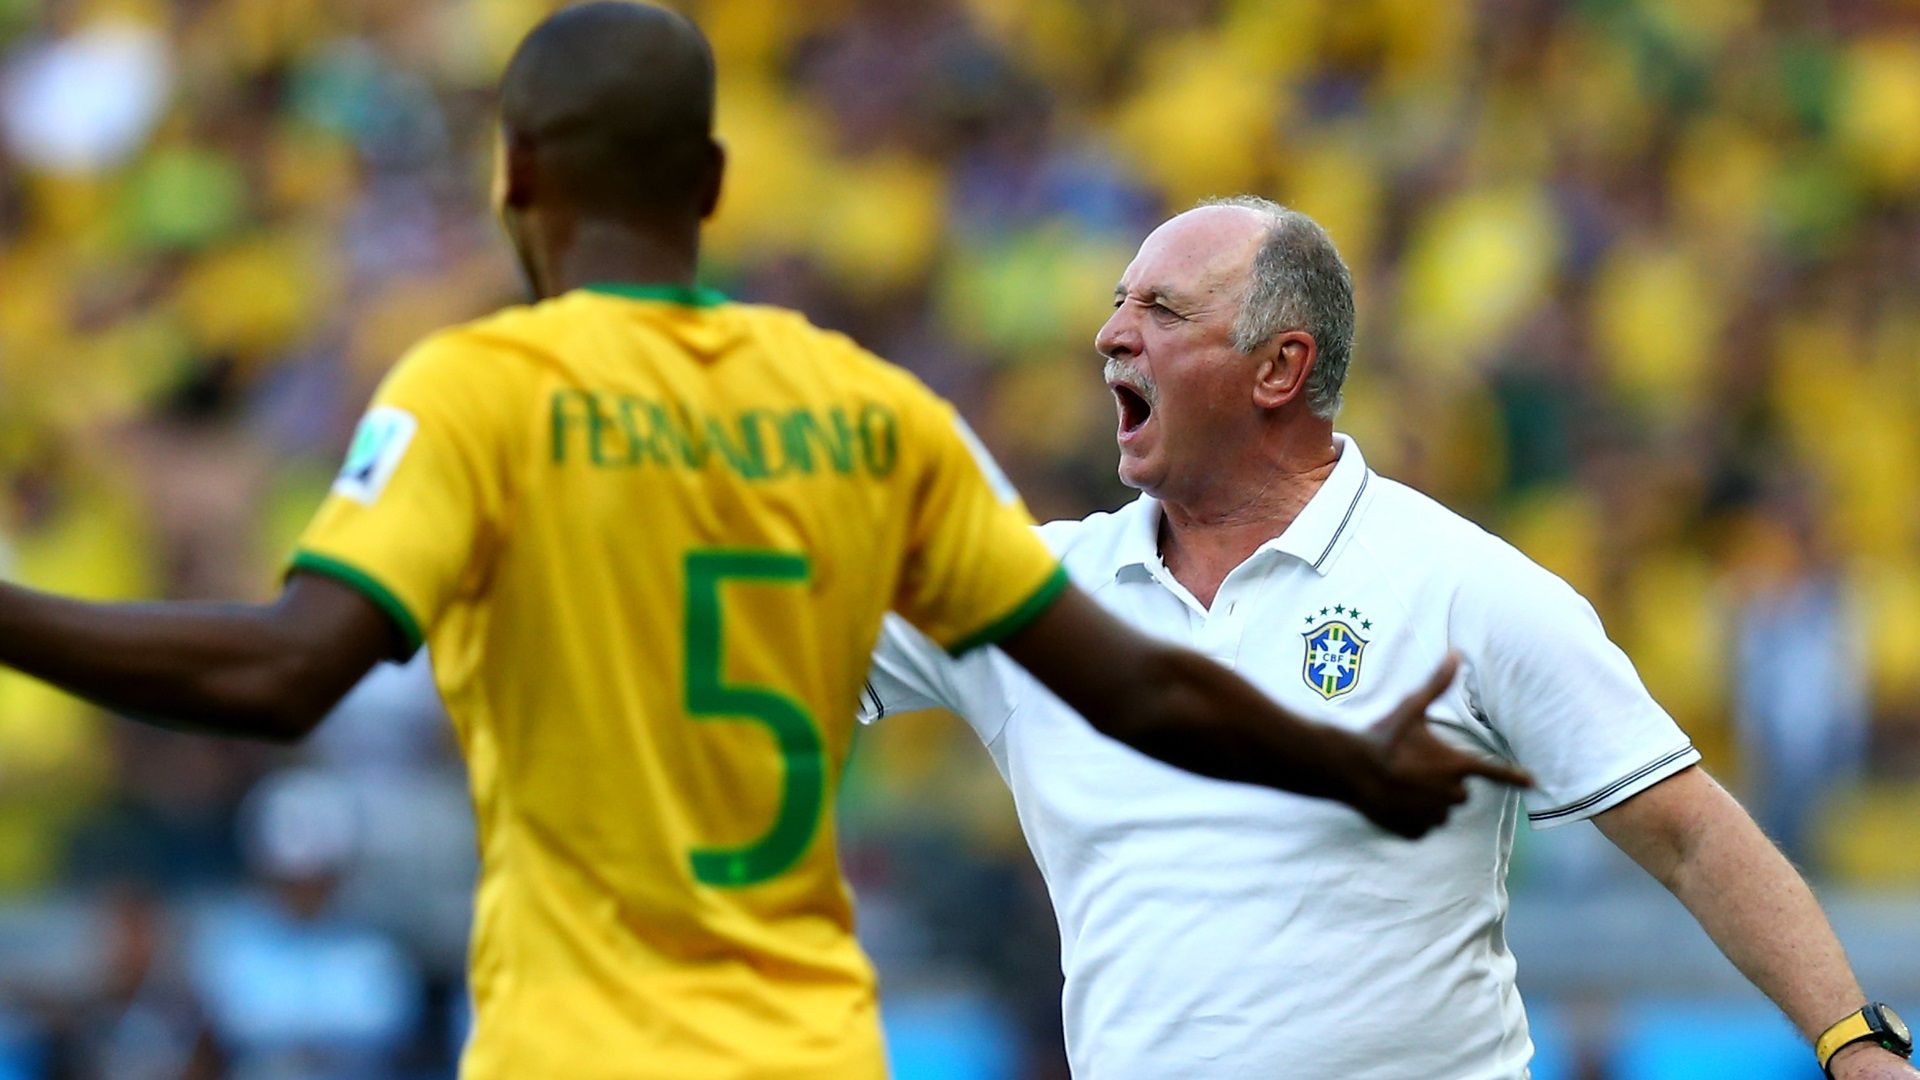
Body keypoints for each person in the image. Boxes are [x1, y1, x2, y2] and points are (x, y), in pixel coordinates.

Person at [0, 7, 1528, 1080]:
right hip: (810, 1050)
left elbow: (284, 672)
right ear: (715, 188)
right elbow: (1132, 683)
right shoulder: (876, 414)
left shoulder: (480, 391)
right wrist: (1343, 765)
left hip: (576, 1051)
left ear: (515, 177)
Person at [862, 197, 1920, 1080]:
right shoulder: (1029, 595)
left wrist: (1854, 1043)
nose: (1111, 335)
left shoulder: (1462, 587)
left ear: (1280, 368)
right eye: (1118, 303)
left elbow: (1689, 834)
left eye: (1163, 310)